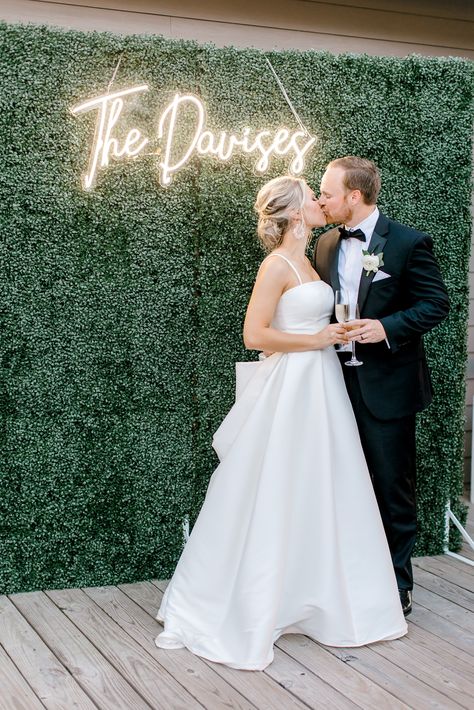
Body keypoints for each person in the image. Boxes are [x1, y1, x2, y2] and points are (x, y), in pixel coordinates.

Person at [154, 176, 407, 671]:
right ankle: (249, 602)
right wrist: (320, 339)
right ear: (293, 214)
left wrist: (327, 338)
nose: (319, 201)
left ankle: (313, 595)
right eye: (311, 197)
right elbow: (255, 335)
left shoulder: (314, 259)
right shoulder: (276, 265)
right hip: (295, 387)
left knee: (322, 486)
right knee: (276, 487)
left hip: (321, 386)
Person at [315, 156, 450, 616]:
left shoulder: (409, 243)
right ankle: (348, 576)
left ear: (355, 196)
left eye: (328, 193)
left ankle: (397, 584)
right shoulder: (326, 245)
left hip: (387, 387)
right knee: (339, 483)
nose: (321, 199)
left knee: (392, 486)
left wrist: (386, 327)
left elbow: (436, 304)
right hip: (331, 383)